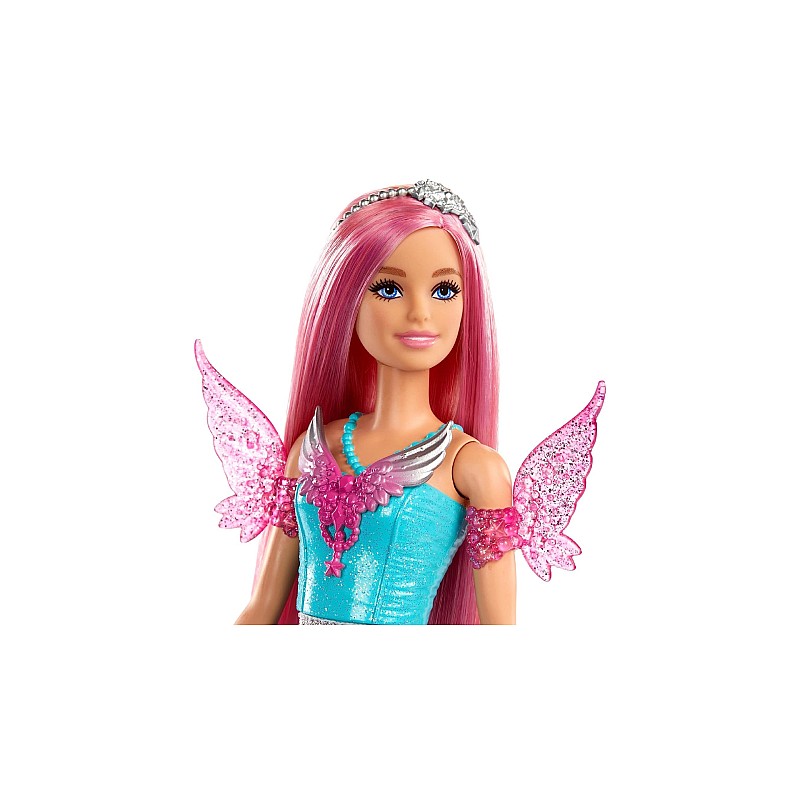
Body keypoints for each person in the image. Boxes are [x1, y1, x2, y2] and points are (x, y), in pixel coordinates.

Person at [197, 180, 603, 625]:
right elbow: (260, 609)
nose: (420, 314)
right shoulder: (313, 449)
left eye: (444, 291)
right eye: (389, 289)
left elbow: (500, 632)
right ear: (346, 301)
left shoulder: (472, 468)